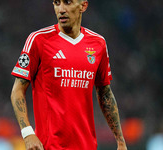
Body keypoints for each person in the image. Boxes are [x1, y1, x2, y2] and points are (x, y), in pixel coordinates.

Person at [10, 0, 128, 149]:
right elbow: (17, 91)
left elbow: (105, 93)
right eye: (56, 3)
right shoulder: (38, 40)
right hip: (49, 146)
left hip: (87, 146)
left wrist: (120, 140)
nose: (61, 9)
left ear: (83, 6)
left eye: (67, 2)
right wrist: (28, 133)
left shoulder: (98, 44)